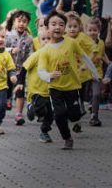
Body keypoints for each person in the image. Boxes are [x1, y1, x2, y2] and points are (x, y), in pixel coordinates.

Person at [37, 12, 99, 149]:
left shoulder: (71, 43)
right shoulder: (45, 50)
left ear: (64, 28)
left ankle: (76, 120)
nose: (57, 27)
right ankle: (67, 138)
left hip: (72, 86)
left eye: (61, 24)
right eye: (53, 24)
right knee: (59, 115)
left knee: (74, 114)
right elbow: (40, 71)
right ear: (47, 28)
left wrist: (95, 74)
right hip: (55, 88)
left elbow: (85, 58)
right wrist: (49, 76)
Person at [17, 31, 54, 143]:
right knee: (41, 110)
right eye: (44, 39)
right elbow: (24, 68)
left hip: (50, 91)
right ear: (38, 41)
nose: (46, 41)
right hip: (36, 91)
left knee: (50, 115)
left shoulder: (55, 55)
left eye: (49, 38)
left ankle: (44, 132)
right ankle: (30, 108)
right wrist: (20, 83)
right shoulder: (36, 55)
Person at [5, 10, 33, 125]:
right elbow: (0, 49)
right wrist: (11, 50)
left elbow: (30, 53)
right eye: (19, 21)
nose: (22, 24)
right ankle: (7, 100)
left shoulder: (29, 39)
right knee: (7, 88)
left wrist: (29, 65)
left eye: (24, 22)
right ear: (14, 22)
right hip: (8, 68)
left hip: (21, 69)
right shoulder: (8, 35)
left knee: (20, 91)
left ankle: (18, 114)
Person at [0, 25, 17, 135]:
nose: (0, 39)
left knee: (2, 106)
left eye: (3, 37)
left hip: (2, 87)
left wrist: (12, 76)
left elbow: (11, 68)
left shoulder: (6, 54)